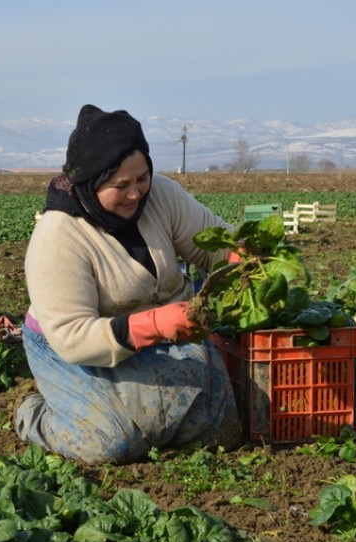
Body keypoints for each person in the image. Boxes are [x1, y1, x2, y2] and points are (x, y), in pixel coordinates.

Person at [15, 104, 242, 464]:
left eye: (142, 178)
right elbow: (72, 336)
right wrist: (153, 324)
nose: (136, 194)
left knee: (219, 430)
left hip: (162, 335)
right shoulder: (59, 234)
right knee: (112, 442)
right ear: (90, 182)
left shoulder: (162, 196)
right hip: (73, 346)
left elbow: (214, 245)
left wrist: (243, 255)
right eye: (120, 185)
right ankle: (35, 415)